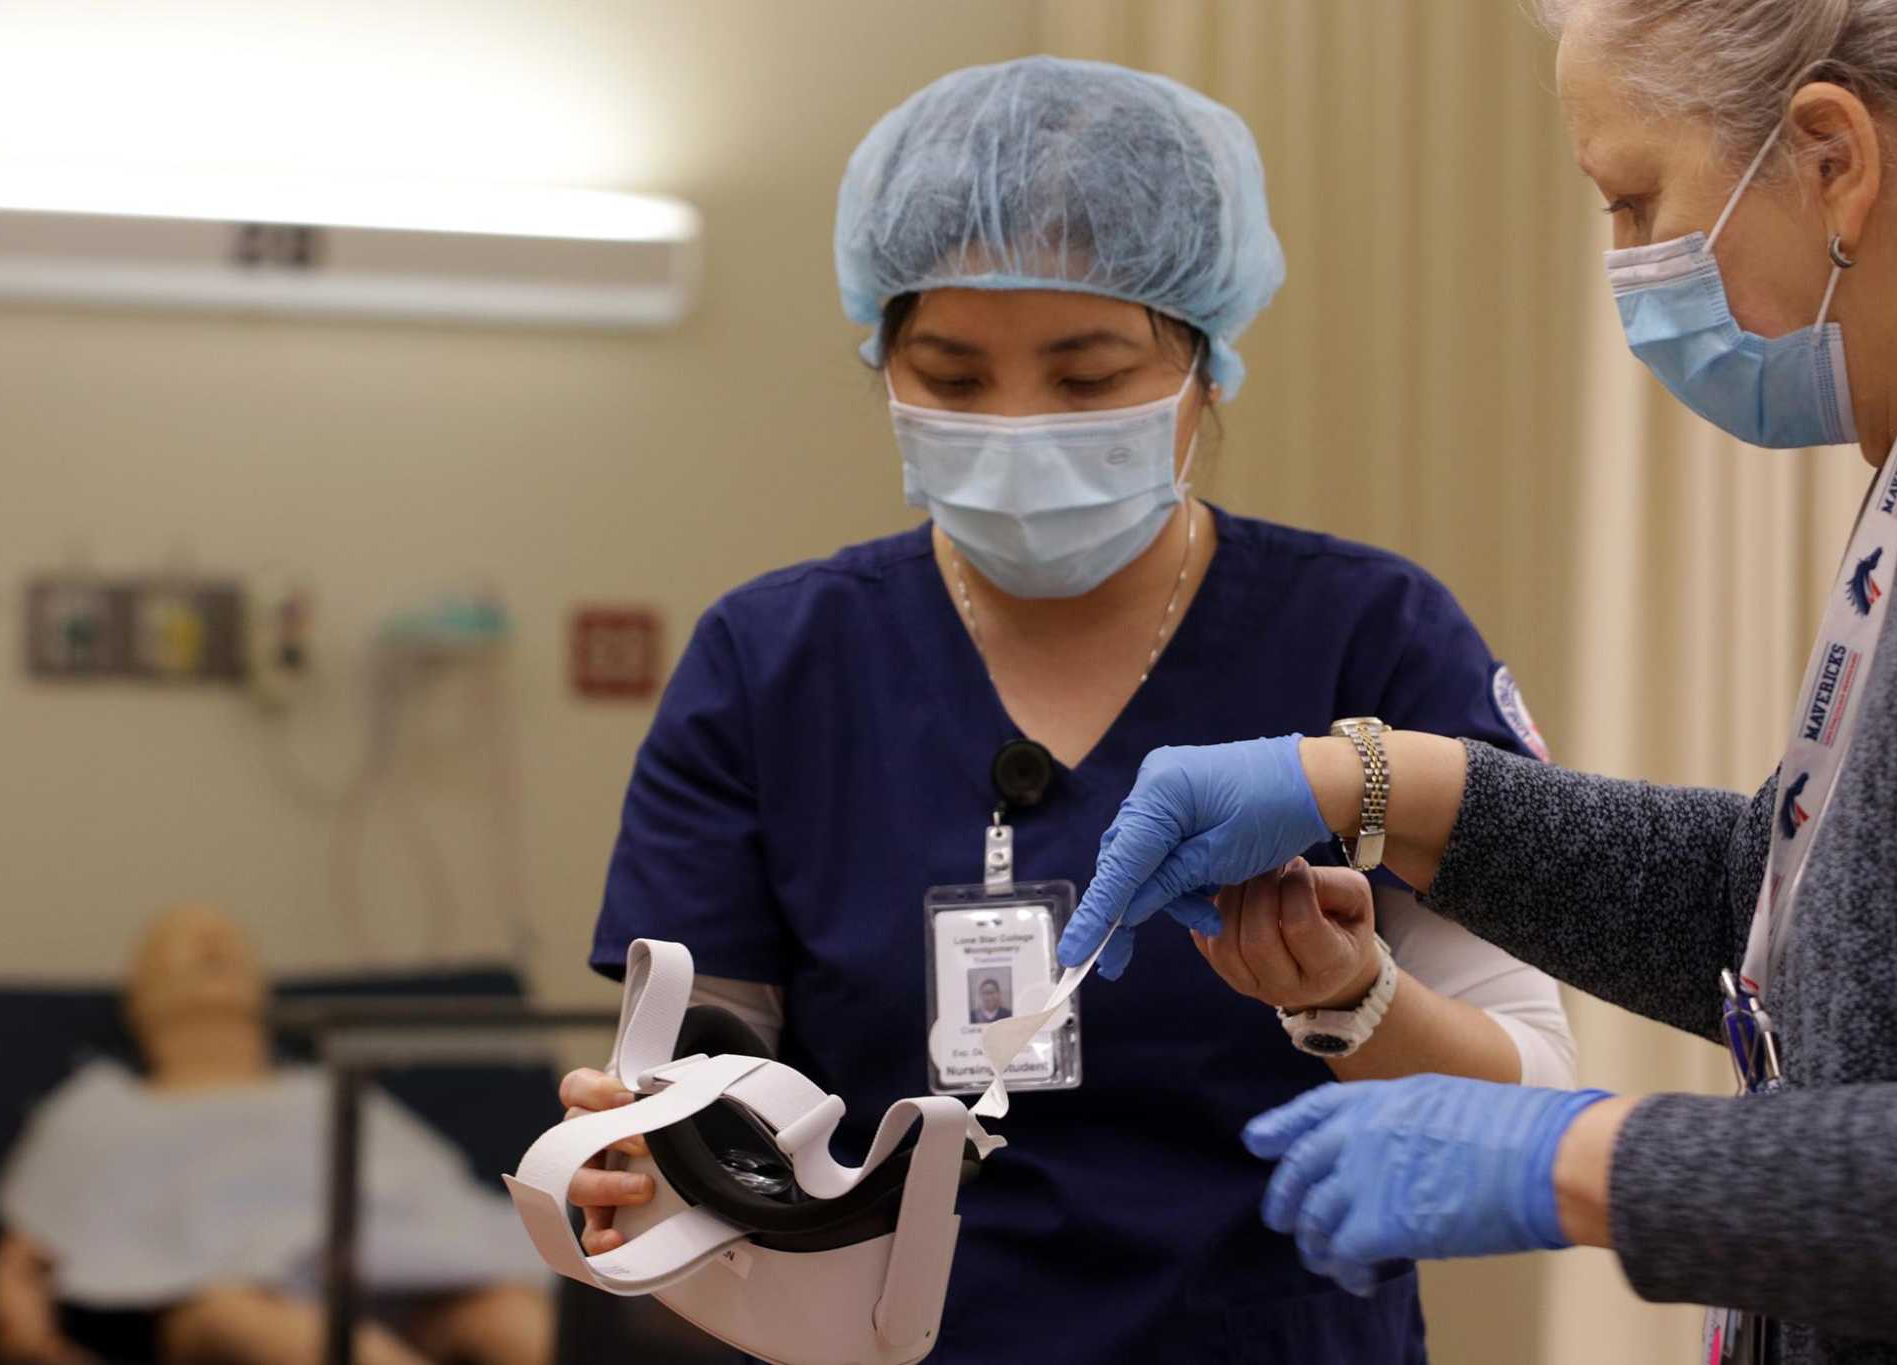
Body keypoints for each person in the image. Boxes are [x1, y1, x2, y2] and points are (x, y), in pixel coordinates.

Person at [561, 56, 1577, 1364]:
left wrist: (1354, 998)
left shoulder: (1369, 640)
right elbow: (704, 1063)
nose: (1019, 425)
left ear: (1208, 364)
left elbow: (1537, 1093)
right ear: (880, 355)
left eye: (1089, 377)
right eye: (954, 377)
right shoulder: (774, 662)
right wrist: (653, 1151)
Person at [1059, 3, 1897, 1362]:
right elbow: (1803, 920)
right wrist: (1376, 784)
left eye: (1636, 201)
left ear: (1831, 156)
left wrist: (1582, 1158)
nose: (1629, 269)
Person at [0, 906, 552, 1365]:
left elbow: (451, 1209)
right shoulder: (99, 1111)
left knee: (510, 1317)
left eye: (227, 941)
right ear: (141, 1002)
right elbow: (23, 1260)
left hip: (399, 1285)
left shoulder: (335, 1092)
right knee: (280, 1331)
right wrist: (32, 1344)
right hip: (224, 1300)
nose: (212, 945)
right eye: (180, 944)